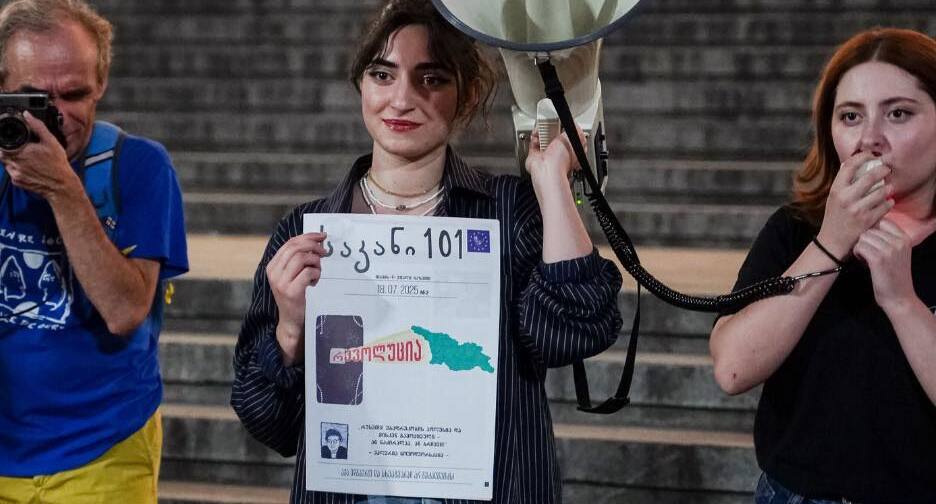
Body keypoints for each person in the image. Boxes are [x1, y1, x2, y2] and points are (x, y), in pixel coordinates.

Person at [230, 0, 623, 502]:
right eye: (382, 75)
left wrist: (551, 182)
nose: (401, 99)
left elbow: (573, 332)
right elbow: (269, 423)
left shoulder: (508, 213)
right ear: (361, 85)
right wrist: (289, 329)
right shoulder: (305, 233)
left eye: (431, 79)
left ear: (467, 95)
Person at [710, 28, 936, 503]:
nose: (869, 139)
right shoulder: (796, 229)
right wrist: (831, 243)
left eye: (898, 113)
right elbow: (732, 369)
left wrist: (902, 301)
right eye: (851, 116)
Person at [0, 0, 188, 502]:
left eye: (75, 94)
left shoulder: (139, 167)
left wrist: (63, 189)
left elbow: (125, 310)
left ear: (101, 82)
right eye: (35, 98)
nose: (57, 117)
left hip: (103, 448)